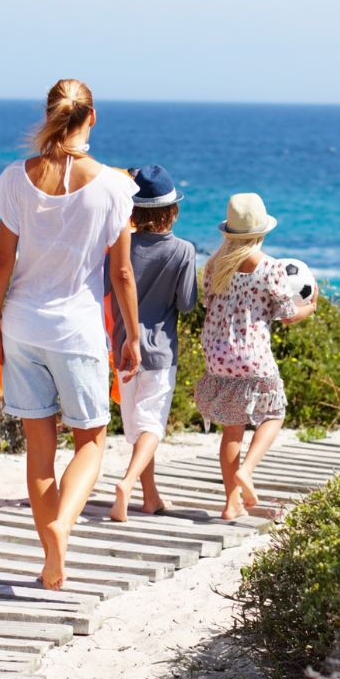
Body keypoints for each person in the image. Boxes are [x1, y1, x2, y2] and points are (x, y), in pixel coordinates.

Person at [0, 79, 139, 590]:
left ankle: (51, 558)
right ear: (93, 117)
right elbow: (123, 274)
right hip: (77, 330)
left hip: (22, 324)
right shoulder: (114, 187)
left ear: (50, 114)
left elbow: (2, 261)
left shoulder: (16, 178)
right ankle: (64, 524)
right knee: (91, 440)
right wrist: (131, 335)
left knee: (39, 452)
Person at [193, 192, 315, 520]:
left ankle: (231, 504)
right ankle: (247, 470)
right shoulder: (271, 268)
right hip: (254, 357)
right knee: (274, 413)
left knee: (232, 429)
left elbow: (212, 305)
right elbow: (288, 314)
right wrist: (311, 306)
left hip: (218, 357)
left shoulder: (214, 266)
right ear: (261, 232)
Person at [107, 165, 198, 522]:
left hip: (122, 348)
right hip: (160, 350)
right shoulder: (183, 251)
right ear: (172, 211)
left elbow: (107, 290)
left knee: (137, 427)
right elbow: (187, 303)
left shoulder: (118, 247)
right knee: (152, 425)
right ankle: (128, 484)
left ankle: (150, 497)